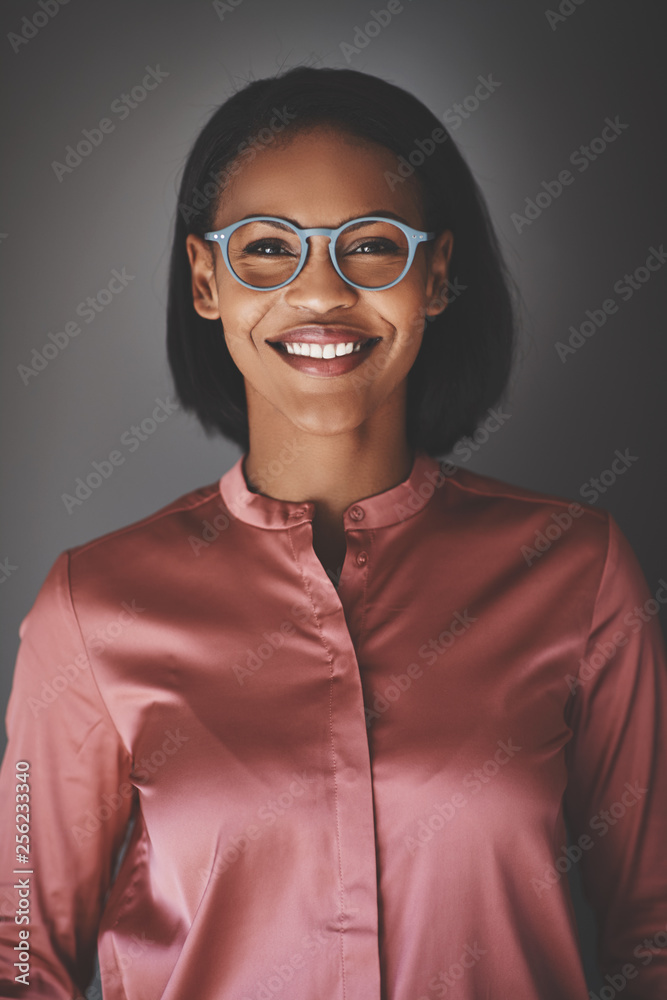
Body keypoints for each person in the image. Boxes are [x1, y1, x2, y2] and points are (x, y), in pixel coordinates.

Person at [0, 65, 666, 1000]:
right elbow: (18, 953)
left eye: (372, 247)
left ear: (435, 278)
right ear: (205, 281)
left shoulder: (578, 572)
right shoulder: (90, 608)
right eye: (268, 249)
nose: (320, 292)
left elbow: (655, 935)